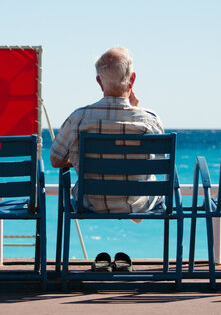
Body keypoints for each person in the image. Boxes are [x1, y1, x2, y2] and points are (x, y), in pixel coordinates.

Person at [50, 46, 164, 216]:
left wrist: (80, 160)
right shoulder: (150, 120)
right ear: (132, 79)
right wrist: (135, 110)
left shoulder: (79, 118)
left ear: (99, 81)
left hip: (90, 203)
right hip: (138, 204)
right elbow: (156, 160)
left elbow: (55, 159)